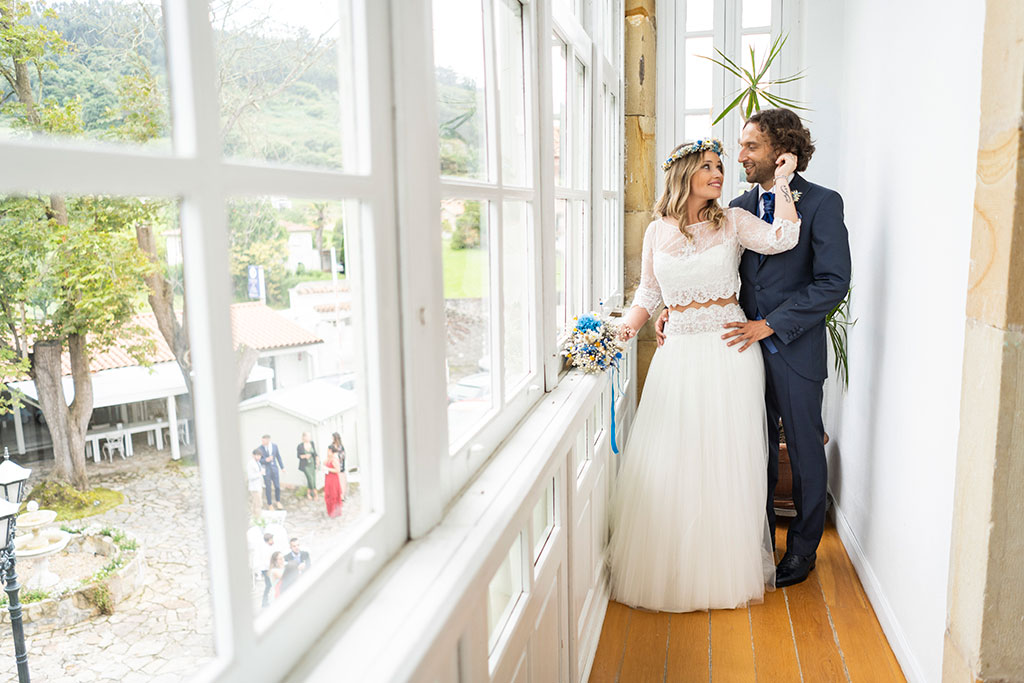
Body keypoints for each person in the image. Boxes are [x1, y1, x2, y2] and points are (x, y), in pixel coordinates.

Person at [656, 110, 851, 588]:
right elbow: (705, 265)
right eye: (738, 147)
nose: (738, 156)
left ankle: (802, 552)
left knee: (804, 450)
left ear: (783, 152)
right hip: (733, 351)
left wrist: (771, 325)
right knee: (750, 451)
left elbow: (833, 282)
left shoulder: (822, 203)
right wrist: (672, 309)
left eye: (750, 147)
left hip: (792, 348)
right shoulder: (733, 206)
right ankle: (754, 547)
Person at [607, 137, 801, 613]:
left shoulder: (733, 220)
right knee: (676, 459)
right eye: (709, 166)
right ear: (684, 173)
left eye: (720, 166)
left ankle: (723, 569)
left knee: (725, 460)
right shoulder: (657, 231)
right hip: (677, 360)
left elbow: (783, 238)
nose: (719, 173)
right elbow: (648, 293)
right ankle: (675, 567)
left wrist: (782, 182)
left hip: (728, 352)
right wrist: (620, 334)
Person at [258, 434, 285, 510]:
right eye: (262, 441)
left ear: (268, 440)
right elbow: (258, 460)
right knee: (268, 487)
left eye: (264, 441)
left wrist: (282, 467)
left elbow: (278, 457)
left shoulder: (274, 446)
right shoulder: (259, 449)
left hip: (274, 468)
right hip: (266, 470)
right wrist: (265, 460)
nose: (262, 442)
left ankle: (278, 501)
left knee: (277, 486)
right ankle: (269, 504)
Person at [296, 432, 319, 501]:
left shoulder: (312, 443)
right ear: (304, 437)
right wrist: (305, 456)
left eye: (310, 436)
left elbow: (315, 453)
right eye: (308, 436)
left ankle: (308, 493)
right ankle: (315, 494)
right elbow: (298, 456)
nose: (309, 438)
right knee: (310, 479)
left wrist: (317, 461)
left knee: (313, 479)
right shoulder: (300, 446)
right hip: (305, 465)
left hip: (312, 464)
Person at [323, 444, 343, 518]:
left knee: (333, 495)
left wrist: (328, 469)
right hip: (328, 479)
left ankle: (335, 511)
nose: (327, 451)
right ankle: (330, 511)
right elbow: (324, 463)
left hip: (333, 479)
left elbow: (338, 470)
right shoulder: (329, 458)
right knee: (328, 494)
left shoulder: (335, 459)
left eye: (328, 450)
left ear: (331, 451)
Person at [259, 533, 276, 607]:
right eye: (271, 539)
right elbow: (266, 562)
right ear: (268, 540)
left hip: (268, 569)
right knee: (269, 585)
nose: (273, 541)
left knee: (269, 585)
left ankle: (266, 602)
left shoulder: (268, 547)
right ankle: (265, 602)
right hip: (266, 569)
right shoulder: (265, 549)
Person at [247, 449, 264, 520]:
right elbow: (250, 477)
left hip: (259, 486)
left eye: (259, 455)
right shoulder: (251, 464)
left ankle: (254, 518)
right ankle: (258, 518)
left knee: (255, 503)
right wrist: (260, 473)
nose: (258, 457)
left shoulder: (258, 463)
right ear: (253, 455)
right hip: (254, 487)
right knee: (258, 504)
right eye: (257, 455)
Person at [331, 431, 348, 500]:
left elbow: (342, 456)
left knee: (342, 481)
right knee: (336, 481)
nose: (331, 438)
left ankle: (342, 495)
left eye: (332, 437)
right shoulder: (332, 445)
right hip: (334, 465)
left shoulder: (340, 446)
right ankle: (338, 494)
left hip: (340, 466)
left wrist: (336, 458)